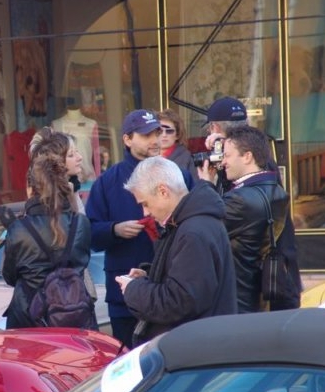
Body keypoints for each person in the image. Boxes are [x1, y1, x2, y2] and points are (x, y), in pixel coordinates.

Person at [116, 156, 238, 346]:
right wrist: (149, 277)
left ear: (163, 191)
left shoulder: (192, 231)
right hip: (201, 343)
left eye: (145, 204)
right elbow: (189, 282)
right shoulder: (190, 224)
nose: (145, 213)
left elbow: (179, 302)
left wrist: (133, 289)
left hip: (197, 348)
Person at [203, 96, 303, 309]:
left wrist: (207, 185)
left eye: (228, 155)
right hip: (278, 277)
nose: (224, 161)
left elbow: (215, 220)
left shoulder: (248, 190)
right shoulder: (264, 169)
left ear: (214, 127)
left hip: (258, 286)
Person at [84, 109, 165, 348]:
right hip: (123, 294)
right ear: (127, 140)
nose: (155, 140)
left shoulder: (175, 175)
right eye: (147, 135)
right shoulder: (108, 181)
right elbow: (90, 233)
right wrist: (114, 230)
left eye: (157, 133)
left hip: (168, 290)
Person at [2, 131, 93, 328]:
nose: (79, 157)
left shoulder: (19, 228)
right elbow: (83, 262)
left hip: (29, 316)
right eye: (71, 154)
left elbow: (9, 276)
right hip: (74, 312)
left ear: (31, 188)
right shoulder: (80, 222)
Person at [157, 108, 198, 181]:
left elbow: (194, 185)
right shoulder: (147, 155)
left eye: (169, 131)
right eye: (160, 131)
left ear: (177, 135)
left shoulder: (186, 157)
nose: (164, 135)